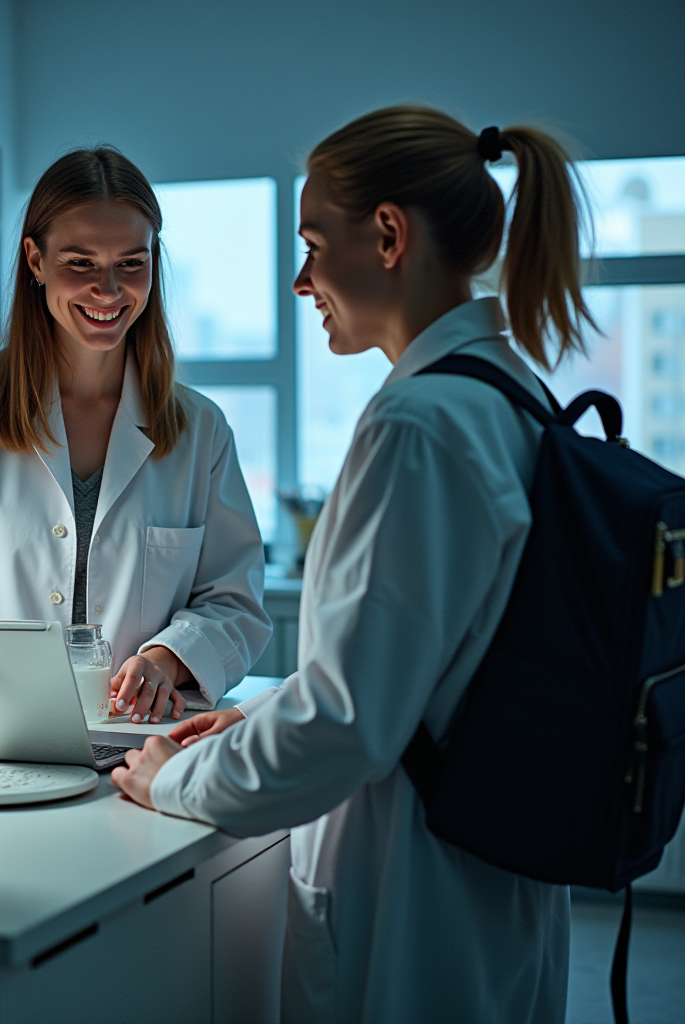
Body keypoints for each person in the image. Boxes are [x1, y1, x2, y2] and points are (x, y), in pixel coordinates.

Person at [112, 106, 595, 1022]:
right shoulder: (511, 392)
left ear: (386, 235)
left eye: (312, 244)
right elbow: (424, 664)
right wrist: (254, 715)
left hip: (417, 893)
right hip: (491, 871)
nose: (302, 281)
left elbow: (348, 724)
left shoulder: (419, 424)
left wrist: (168, 779)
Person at [0, 146, 271, 723]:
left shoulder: (200, 428)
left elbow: (235, 604)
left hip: (141, 743)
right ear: (35, 261)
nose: (108, 290)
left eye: (131, 263)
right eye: (81, 263)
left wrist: (169, 658)